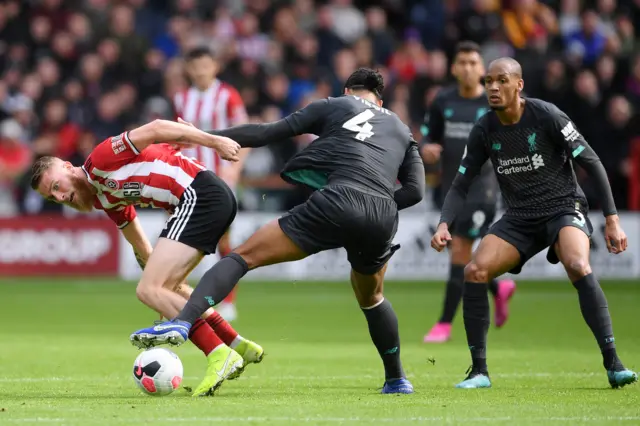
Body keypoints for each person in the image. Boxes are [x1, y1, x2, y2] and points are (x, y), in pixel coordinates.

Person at [131, 68, 425, 394]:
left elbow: (268, 132)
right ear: (381, 99)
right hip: (383, 214)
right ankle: (397, 379)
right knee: (372, 297)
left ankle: (184, 322)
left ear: (347, 91)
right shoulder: (402, 129)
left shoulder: (338, 105)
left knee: (243, 256)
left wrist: (202, 136)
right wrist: (375, 208)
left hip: (338, 200)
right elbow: (415, 191)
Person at [430, 57, 638, 389]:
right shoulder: (484, 128)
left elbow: (593, 163)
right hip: (519, 217)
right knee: (474, 271)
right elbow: (460, 184)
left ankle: (614, 363)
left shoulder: (547, 116)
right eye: (489, 82)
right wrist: (444, 224)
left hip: (562, 208)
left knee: (576, 263)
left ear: (518, 85)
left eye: (501, 80)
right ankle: (479, 371)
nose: (493, 87)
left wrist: (612, 220)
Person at [30, 119, 264, 397]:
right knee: (163, 288)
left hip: (200, 196)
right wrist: (160, 293)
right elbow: (138, 240)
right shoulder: (104, 198)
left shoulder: (102, 159)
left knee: (148, 289)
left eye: (57, 185)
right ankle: (235, 343)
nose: (61, 195)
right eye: (54, 197)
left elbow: (155, 128)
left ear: (68, 167)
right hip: (206, 201)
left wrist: (214, 141)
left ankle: (218, 354)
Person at [421, 41, 516, 343]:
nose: (467, 68)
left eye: (473, 63)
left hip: (482, 189)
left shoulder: (492, 104)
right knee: (461, 256)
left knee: (460, 250)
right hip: (452, 189)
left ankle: (444, 323)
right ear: (453, 68)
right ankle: (498, 289)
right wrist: (428, 150)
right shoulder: (442, 101)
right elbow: (428, 138)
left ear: (482, 70)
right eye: (462, 62)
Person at [173, 47, 250, 322]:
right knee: (180, 238)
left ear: (215, 66)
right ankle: (177, 297)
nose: (201, 71)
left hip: (220, 178)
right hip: (188, 180)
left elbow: (245, 132)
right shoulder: (181, 97)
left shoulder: (227, 95)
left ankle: (228, 301)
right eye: (195, 66)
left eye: (206, 65)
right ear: (189, 69)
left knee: (223, 241)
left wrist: (235, 169)